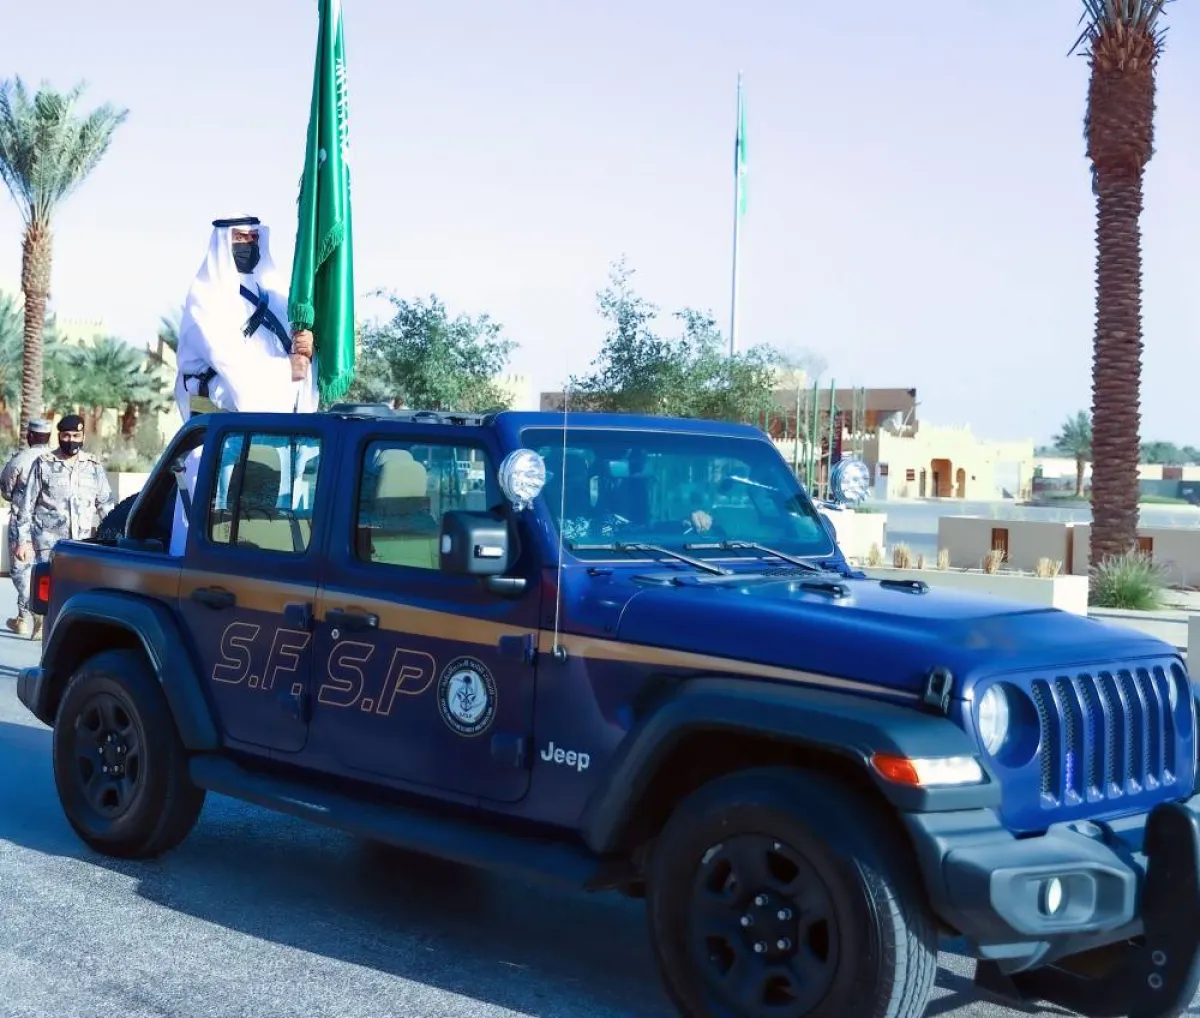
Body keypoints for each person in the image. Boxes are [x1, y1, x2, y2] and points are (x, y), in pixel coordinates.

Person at [170, 216, 318, 554]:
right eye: (239, 237)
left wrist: (308, 349)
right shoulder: (206, 298)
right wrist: (287, 371)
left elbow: (297, 365)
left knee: (270, 521)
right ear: (224, 241)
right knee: (207, 523)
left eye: (253, 238)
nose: (247, 244)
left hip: (270, 435)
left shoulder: (275, 295)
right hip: (216, 434)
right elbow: (231, 365)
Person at [13, 416, 114, 636]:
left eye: (76, 435)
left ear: (83, 436)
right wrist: (23, 541)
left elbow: (105, 505)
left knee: (79, 595)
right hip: (48, 545)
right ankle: (46, 640)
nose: (71, 440)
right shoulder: (44, 464)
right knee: (50, 597)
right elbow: (26, 505)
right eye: (66, 435)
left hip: (82, 544)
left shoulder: (93, 466)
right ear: (59, 436)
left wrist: (115, 536)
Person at [1, 417, 53, 636]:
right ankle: (24, 617)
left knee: (21, 570)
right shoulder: (55, 459)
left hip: (22, 522)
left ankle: (33, 614)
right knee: (44, 568)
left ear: (30, 436)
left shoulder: (20, 459)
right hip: (49, 524)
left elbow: (6, 489)